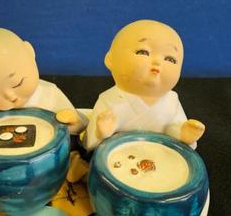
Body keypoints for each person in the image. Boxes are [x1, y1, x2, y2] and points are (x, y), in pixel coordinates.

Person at [83, 20, 205, 151]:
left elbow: (171, 128)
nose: (157, 62)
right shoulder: (108, 100)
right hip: (116, 154)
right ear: (110, 60)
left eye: (170, 59)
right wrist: (101, 133)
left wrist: (183, 134)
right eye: (143, 52)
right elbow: (88, 143)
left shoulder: (171, 101)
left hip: (157, 156)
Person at [0, 28, 85, 139]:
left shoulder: (50, 94)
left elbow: (80, 128)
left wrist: (73, 122)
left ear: (30, 52)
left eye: (17, 83)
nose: (11, 97)